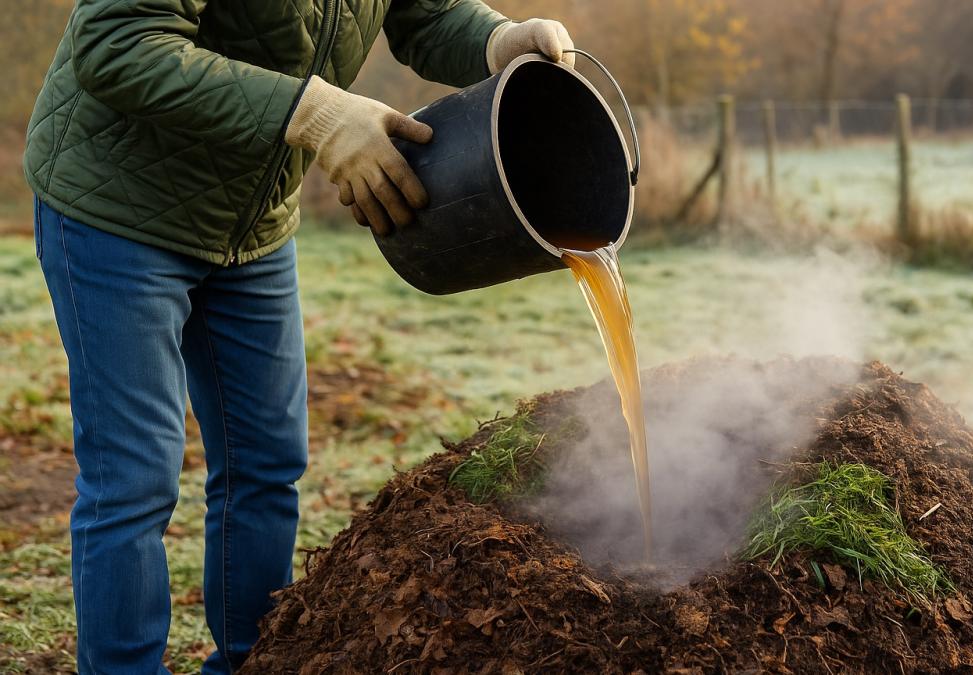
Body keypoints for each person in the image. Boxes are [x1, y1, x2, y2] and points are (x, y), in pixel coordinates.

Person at [23, 1, 574, 672]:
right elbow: (118, 43)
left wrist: (497, 39)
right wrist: (315, 113)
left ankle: (251, 663)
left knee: (266, 464)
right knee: (133, 478)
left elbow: (424, 15)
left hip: (250, 228)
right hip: (116, 210)